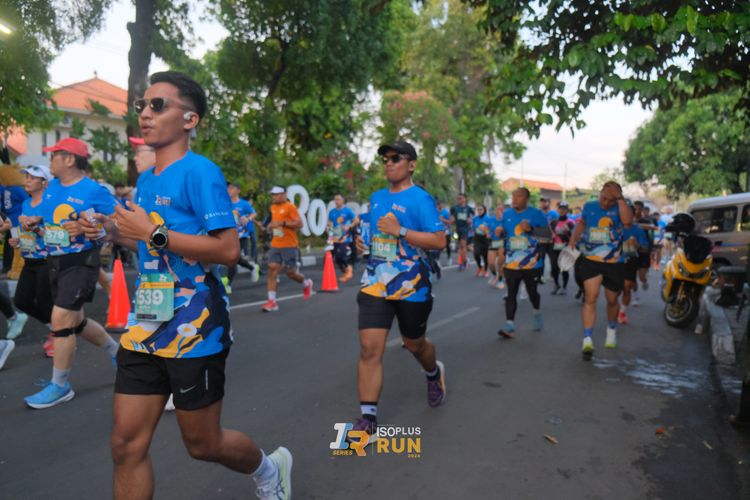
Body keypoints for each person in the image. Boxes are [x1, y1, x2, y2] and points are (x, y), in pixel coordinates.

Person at [98, 71, 291, 499]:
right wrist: (107, 231)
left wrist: (152, 233)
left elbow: (227, 250)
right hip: (147, 323)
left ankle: (269, 468)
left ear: (190, 119)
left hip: (196, 326)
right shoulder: (147, 180)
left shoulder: (201, 172)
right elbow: (147, 242)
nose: (145, 113)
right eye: (142, 106)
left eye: (158, 105)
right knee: (125, 445)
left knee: (203, 444)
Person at [350, 140, 446, 444]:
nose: (389, 163)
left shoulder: (421, 199)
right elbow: (374, 234)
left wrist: (400, 231)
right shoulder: (377, 197)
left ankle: (433, 373)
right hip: (376, 281)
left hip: (411, 285)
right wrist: (363, 243)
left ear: (411, 165)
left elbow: (439, 240)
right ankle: (368, 419)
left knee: (414, 344)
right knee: (369, 349)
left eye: (395, 158)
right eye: (385, 159)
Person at [22, 137, 120, 409]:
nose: (50, 160)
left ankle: (60, 385)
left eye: (54, 155)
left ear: (69, 159)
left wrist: (94, 228)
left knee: (61, 319)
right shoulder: (52, 187)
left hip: (81, 261)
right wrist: (34, 221)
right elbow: (47, 217)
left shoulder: (93, 190)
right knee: (76, 322)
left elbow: (120, 220)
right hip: (55, 261)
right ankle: (118, 353)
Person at [570, 181, 633, 359]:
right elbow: (583, 223)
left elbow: (628, 221)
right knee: (590, 298)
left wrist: (619, 198)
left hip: (614, 262)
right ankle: (587, 339)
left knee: (612, 300)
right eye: (603, 198)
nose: (605, 203)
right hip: (591, 260)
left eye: (610, 200)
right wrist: (574, 237)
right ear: (600, 193)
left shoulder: (621, 207)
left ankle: (611, 329)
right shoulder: (589, 206)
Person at [9, 165, 54, 357]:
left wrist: (36, 228)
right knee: (22, 301)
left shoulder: (50, 204)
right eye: (26, 176)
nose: (27, 180)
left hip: (46, 260)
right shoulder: (26, 203)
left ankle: (60, 335)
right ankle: (56, 328)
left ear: (44, 182)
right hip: (29, 260)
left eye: (32, 177)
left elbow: (54, 235)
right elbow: (24, 233)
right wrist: (17, 241)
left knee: (45, 302)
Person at [497, 188, 551, 338]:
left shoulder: (536, 213)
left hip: (531, 263)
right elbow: (504, 233)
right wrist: (500, 232)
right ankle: (509, 325)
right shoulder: (507, 213)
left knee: (532, 292)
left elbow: (548, 235)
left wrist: (531, 229)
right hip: (512, 262)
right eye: (513, 196)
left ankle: (537, 312)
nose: (515, 199)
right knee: (511, 294)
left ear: (527, 199)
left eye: (519, 196)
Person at [261, 186, 314, 312]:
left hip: (289, 245)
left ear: (283, 195)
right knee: (272, 269)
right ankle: (272, 301)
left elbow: (299, 224)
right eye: (273, 194)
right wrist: (270, 227)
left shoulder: (290, 207)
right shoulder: (273, 207)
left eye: (276, 194)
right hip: (276, 244)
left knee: (291, 273)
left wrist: (283, 223)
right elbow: (273, 223)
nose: (274, 197)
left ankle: (306, 283)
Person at [226, 182, 260, 291]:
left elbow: (254, 213)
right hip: (229, 236)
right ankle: (252, 267)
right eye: (228, 188)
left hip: (242, 235)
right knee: (235, 258)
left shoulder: (244, 204)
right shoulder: (225, 203)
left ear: (238, 191)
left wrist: (248, 218)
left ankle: (228, 285)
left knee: (232, 258)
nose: (229, 190)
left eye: (231, 188)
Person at [619, 204, 649, 325]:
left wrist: (637, 245)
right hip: (615, 261)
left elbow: (645, 248)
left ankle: (622, 313)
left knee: (627, 287)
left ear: (633, 215)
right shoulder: (615, 228)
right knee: (615, 291)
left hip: (631, 260)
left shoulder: (638, 230)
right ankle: (614, 307)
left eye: (629, 213)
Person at [2, 180, 29, 276]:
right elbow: (27, 202)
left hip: (8, 220)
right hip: (18, 221)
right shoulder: (17, 189)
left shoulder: (4, 189)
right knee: (17, 247)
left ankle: (7, 267)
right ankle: (15, 268)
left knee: (9, 245)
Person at [327, 194, 357, 282]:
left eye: (338, 199)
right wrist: (329, 226)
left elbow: (356, 220)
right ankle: (345, 271)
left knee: (341, 254)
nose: (336, 201)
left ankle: (349, 269)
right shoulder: (332, 212)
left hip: (345, 237)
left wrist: (349, 226)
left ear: (343, 200)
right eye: (335, 200)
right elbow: (329, 222)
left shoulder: (348, 211)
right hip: (336, 237)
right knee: (336, 257)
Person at [549, 201, 576, 295]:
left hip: (565, 247)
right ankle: (556, 285)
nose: (562, 210)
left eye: (564, 209)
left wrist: (566, 233)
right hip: (554, 247)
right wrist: (551, 235)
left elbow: (572, 236)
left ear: (567, 210)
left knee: (564, 268)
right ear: (558, 209)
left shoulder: (571, 222)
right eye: (560, 208)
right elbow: (550, 234)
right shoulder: (553, 222)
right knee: (554, 268)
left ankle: (564, 287)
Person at [482, 204, 506, 289]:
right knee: (491, 263)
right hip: (493, 242)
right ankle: (494, 275)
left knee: (500, 263)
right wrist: (487, 232)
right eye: (498, 209)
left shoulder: (506, 220)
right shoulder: (491, 219)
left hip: (503, 242)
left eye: (502, 210)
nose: (499, 211)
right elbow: (486, 227)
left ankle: (500, 280)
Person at [538, 196, 559, 283]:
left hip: (552, 241)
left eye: (545, 201)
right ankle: (541, 276)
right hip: (541, 241)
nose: (543, 203)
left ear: (549, 203)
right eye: (542, 202)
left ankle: (553, 275)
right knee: (541, 259)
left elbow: (558, 225)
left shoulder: (554, 214)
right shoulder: (538, 213)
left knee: (553, 260)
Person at [450, 193, 474, 271]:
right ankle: (464, 260)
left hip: (465, 228)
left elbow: (474, 217)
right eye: (458, 198)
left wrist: (470, 220)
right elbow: (451, 218)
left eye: (461, 198)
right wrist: (452, 220)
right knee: (460, 246)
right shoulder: (454, 208)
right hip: (457, 229)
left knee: (463, 245)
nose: (459, 200)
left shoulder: (469, 208)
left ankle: (463, 263)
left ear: (465, 199)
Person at [471, 204, 490, 277]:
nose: (479, 211)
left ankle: (485, 270)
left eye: (481, 209)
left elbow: (490, 228)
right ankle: (480, 267)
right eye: (478, 209)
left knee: (485, 255)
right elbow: (473, 228)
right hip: (477, 238)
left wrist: (486, 230)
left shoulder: (488, 218)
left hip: (485, 239)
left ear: (484, 210)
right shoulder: (475, 218)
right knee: (476, 253)